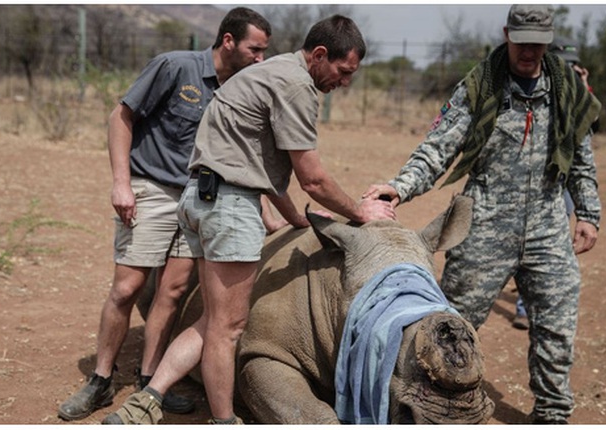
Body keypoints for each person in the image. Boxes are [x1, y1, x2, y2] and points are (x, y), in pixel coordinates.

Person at [101, 14, 396, 425]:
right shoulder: (297, 86)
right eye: (343, 71)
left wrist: (295, 219)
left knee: (211, 321)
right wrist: (359, 211)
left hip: (199, 198)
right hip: (229, 206)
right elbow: (312, 178)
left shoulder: (270, 71)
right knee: (229, 329)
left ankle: (146, 401)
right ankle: (224, 421)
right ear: (320, 55)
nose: (344, 82)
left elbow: (259, 159)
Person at [363, 4, 601, 424]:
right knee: (452, 325)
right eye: (521, 41)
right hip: (485, 223)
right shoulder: (481, 87)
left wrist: (588, 213)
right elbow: (439, 146)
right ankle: (422, 406)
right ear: (507, 34)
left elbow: (581, 160)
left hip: (548, 225)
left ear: (548, 40)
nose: (529, 51)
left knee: (557, 326)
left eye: (537, 43)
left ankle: (552, 414)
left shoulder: (567, 91)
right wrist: (400, 186)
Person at [57, 7, 272, 421]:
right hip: (152, 190)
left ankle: (149, 382)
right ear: (228, 41)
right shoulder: (175, 66)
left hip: (199, 200)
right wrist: (122, 182)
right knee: (127, 288)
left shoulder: (240, 89)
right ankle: (101, 381)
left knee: (171, 293)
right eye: (255, 49)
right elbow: (121, 117)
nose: (260, 58)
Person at [512, 34, 597, 330]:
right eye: (565, 64)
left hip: (569, 181)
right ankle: (524, 307)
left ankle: (539, 306)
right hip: (538, 184)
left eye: (575, 65)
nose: (570, 70)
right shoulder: (537, 90)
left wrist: (583, 87)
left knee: (555, 242)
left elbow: (594, 124)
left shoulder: (577, 92)